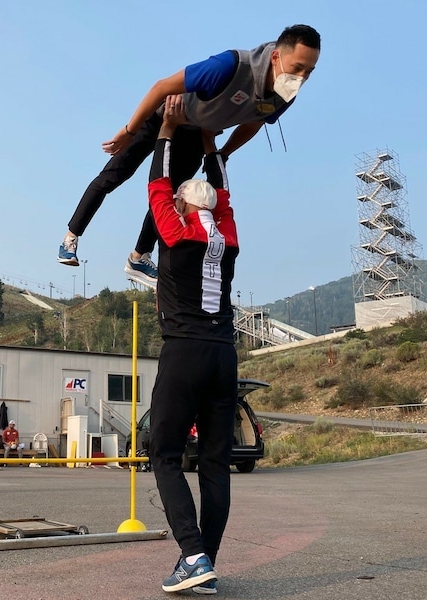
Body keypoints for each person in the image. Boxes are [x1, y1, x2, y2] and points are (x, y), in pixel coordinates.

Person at [58, 24, 320, 289]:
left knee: (169, 196)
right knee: (115, 175)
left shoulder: (284, 96)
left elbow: (253, 123)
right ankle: (70, 237)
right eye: (297, 67)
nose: (300, 77)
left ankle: (139, 257)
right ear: (276, 56)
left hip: (196, 135)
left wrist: (223, 153)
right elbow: (161, 87)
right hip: (165, 115)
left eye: (308, 72)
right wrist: (129, 130)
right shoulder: (230, 66)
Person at [146, 97, 240, 594]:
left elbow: (157, 184)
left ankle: (193, 552)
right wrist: (210, 147)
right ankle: (203, 565)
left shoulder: (175, 231)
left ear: (184, 205)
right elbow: (222, 195)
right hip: (224, 356)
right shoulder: (228, 237)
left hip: (183, 351)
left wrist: (166, 129)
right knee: (214, 463)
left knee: (163, 453)